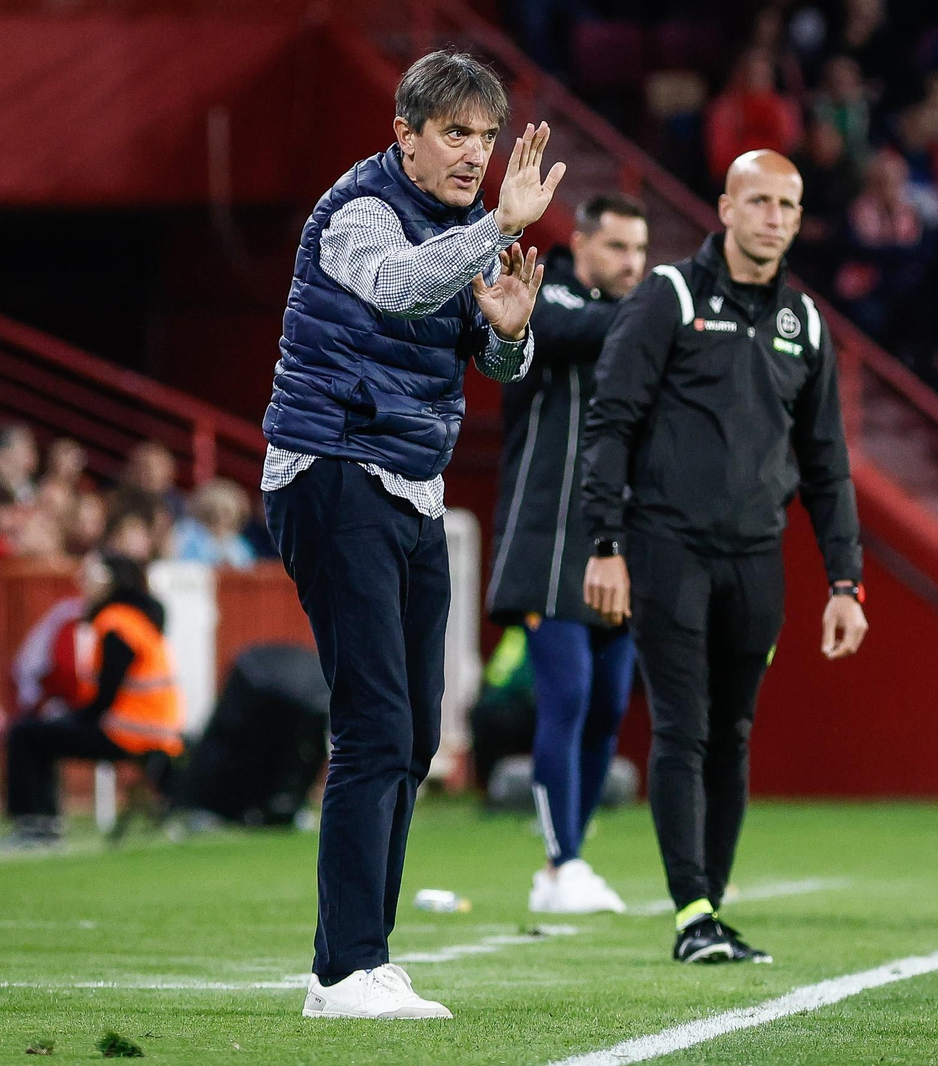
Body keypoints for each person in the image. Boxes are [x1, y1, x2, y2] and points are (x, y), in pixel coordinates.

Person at [259, 50, 563, 1020]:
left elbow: (494, 360)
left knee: (419, 732)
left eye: (486, 136)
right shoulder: (360, 211)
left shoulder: (459, 230)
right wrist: (496, 230)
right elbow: (396, 287)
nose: (475, 154)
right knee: (376, 724)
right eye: (454, 133)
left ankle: (365, 959)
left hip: (411, 485)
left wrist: (509, 331)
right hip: (331, 468)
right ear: (405, 134)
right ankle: (343, 969)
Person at [580, 150, 867, 966]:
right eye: (760, 201)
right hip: (666, 549)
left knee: (733, 732)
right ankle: (692, 913)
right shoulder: (668, 297)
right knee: (684, 727)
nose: (774, 217)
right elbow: (610, 424)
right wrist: (606, 543)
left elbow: (827, 465)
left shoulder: (805, 323)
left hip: (756, 560)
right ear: (726, 208)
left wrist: (845, 581)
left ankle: (711, 911)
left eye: (788, 205)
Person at [485, 193, 648, 915]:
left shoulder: (633, 320)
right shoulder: (541, 293)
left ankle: (565, 869)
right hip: (546, 540)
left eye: (639, 250)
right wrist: (661, 317)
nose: (632, 263)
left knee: (609, 704)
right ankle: (562, 860)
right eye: (617, 247)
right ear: (580, 245)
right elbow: (564, 331)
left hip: (616, 543)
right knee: (569, 695)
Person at [2, 552, 183, 847]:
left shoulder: (116, 623)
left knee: (26, 735)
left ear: (111, 582)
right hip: (155, 731)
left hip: (129, 732)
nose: (83, 583)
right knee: (41, 733)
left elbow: (106, 695)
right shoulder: (138, 618)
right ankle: (41, 825)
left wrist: (74, 717)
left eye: (91, 576)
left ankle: (35, 827)